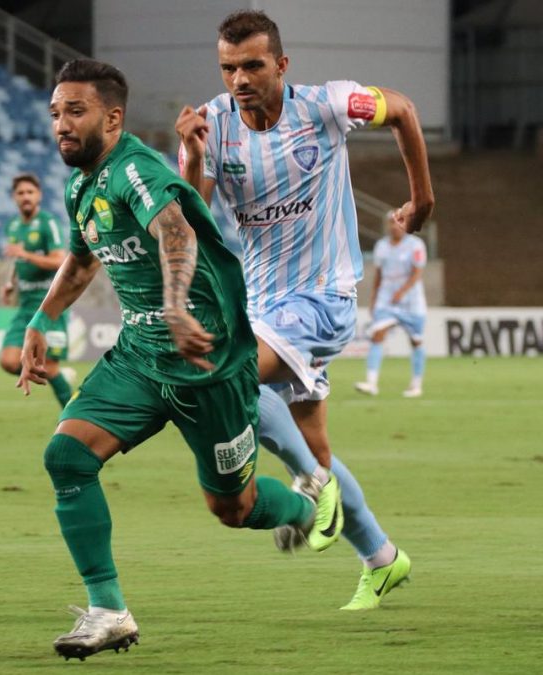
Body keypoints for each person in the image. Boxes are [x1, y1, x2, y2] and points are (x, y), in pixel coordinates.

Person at [20, 58, 338, 661]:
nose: (61, 124)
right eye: (56, 113)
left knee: (232, 508)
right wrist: (44, 317)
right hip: (140, 355)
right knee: (66, 456)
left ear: (113, 119)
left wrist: (173, 303)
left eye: (76, 111)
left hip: (206, 363)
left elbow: (176, 230)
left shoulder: (133, 170)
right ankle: (109, 610)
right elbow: (84, 257)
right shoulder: (80, 183)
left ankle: (306, 501)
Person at [175, 9, 434, 609]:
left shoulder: (328, 104)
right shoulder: (212, 124)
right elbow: (191, 219)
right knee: (313, 442)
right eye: (228, 68)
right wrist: (189, 157)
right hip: (263, 307)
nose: (239, 79)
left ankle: (311, 488)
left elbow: (404, 110)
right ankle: (381, 558)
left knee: (230, 376)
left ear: (281, 65)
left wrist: (422, 197)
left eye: (252, 66)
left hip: (324, 297)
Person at [0, 173, 75, 408]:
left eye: (30, 192)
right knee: (9, 361)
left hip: (49, 305)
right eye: (20, 193)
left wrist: (26, 255)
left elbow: (59, 261)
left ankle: (74, 416)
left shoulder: (48, 223)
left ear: (39, 195)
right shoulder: (12, 226)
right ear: (14, 198)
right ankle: (59, 377)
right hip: (25, 306)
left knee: (49, 367)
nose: (25, 197)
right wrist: (10, 283)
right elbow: (16, 262)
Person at [355, 213, 429, 397]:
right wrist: (373, 299)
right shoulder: (381, 246)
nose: (394, 226)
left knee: (416, 341)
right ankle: (371, 383)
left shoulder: (415, 245)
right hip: (387, 300)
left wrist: (402, 291)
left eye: (398, 222)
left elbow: (417, 272)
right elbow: (378, 275)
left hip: (412, 303)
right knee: (377, 335)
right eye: (391, 223)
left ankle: (416, 384)